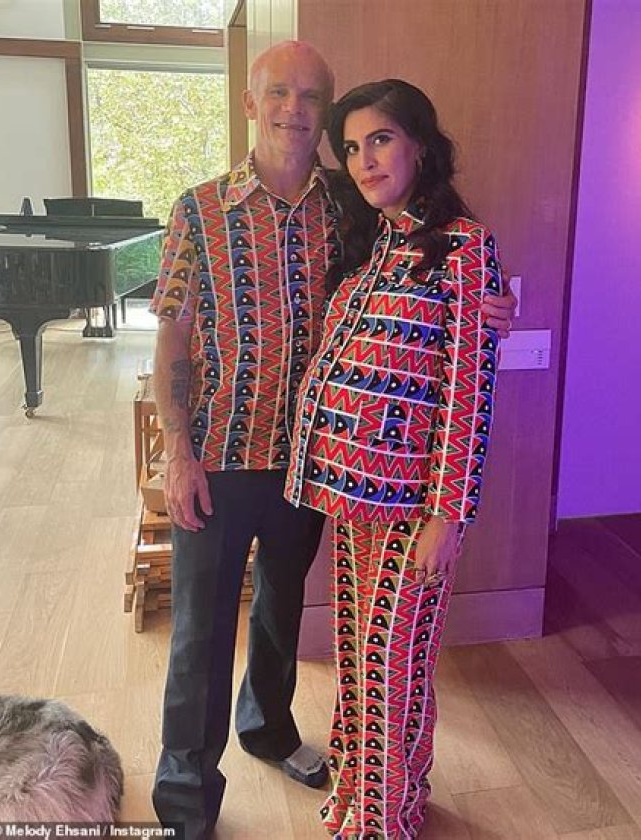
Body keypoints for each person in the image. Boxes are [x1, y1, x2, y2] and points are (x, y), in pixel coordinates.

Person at [150, 41, 516, 840]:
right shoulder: (199, 209)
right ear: (251, 103)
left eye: (312, 96)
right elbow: (171, 335)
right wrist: (176, 452)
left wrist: (493, 306)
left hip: (316, 468)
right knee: (202, 631)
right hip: (219, 453)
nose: (296, 109)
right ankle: (184, 801)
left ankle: (270, 730)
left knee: (283, 615)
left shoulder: (350, 208)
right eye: (279, 92)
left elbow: (444, 287)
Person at [285, 78, 505, 838]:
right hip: (350, 495)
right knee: (363, 659)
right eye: (351, 148)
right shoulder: (373, 245)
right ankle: (376, 797)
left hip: (414, 505)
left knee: (391, 666)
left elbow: (469, 394)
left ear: (419, 145)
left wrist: (449, 516)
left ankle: (381, 823)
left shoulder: (465, 248)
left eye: (380, 139)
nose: (365, 161)